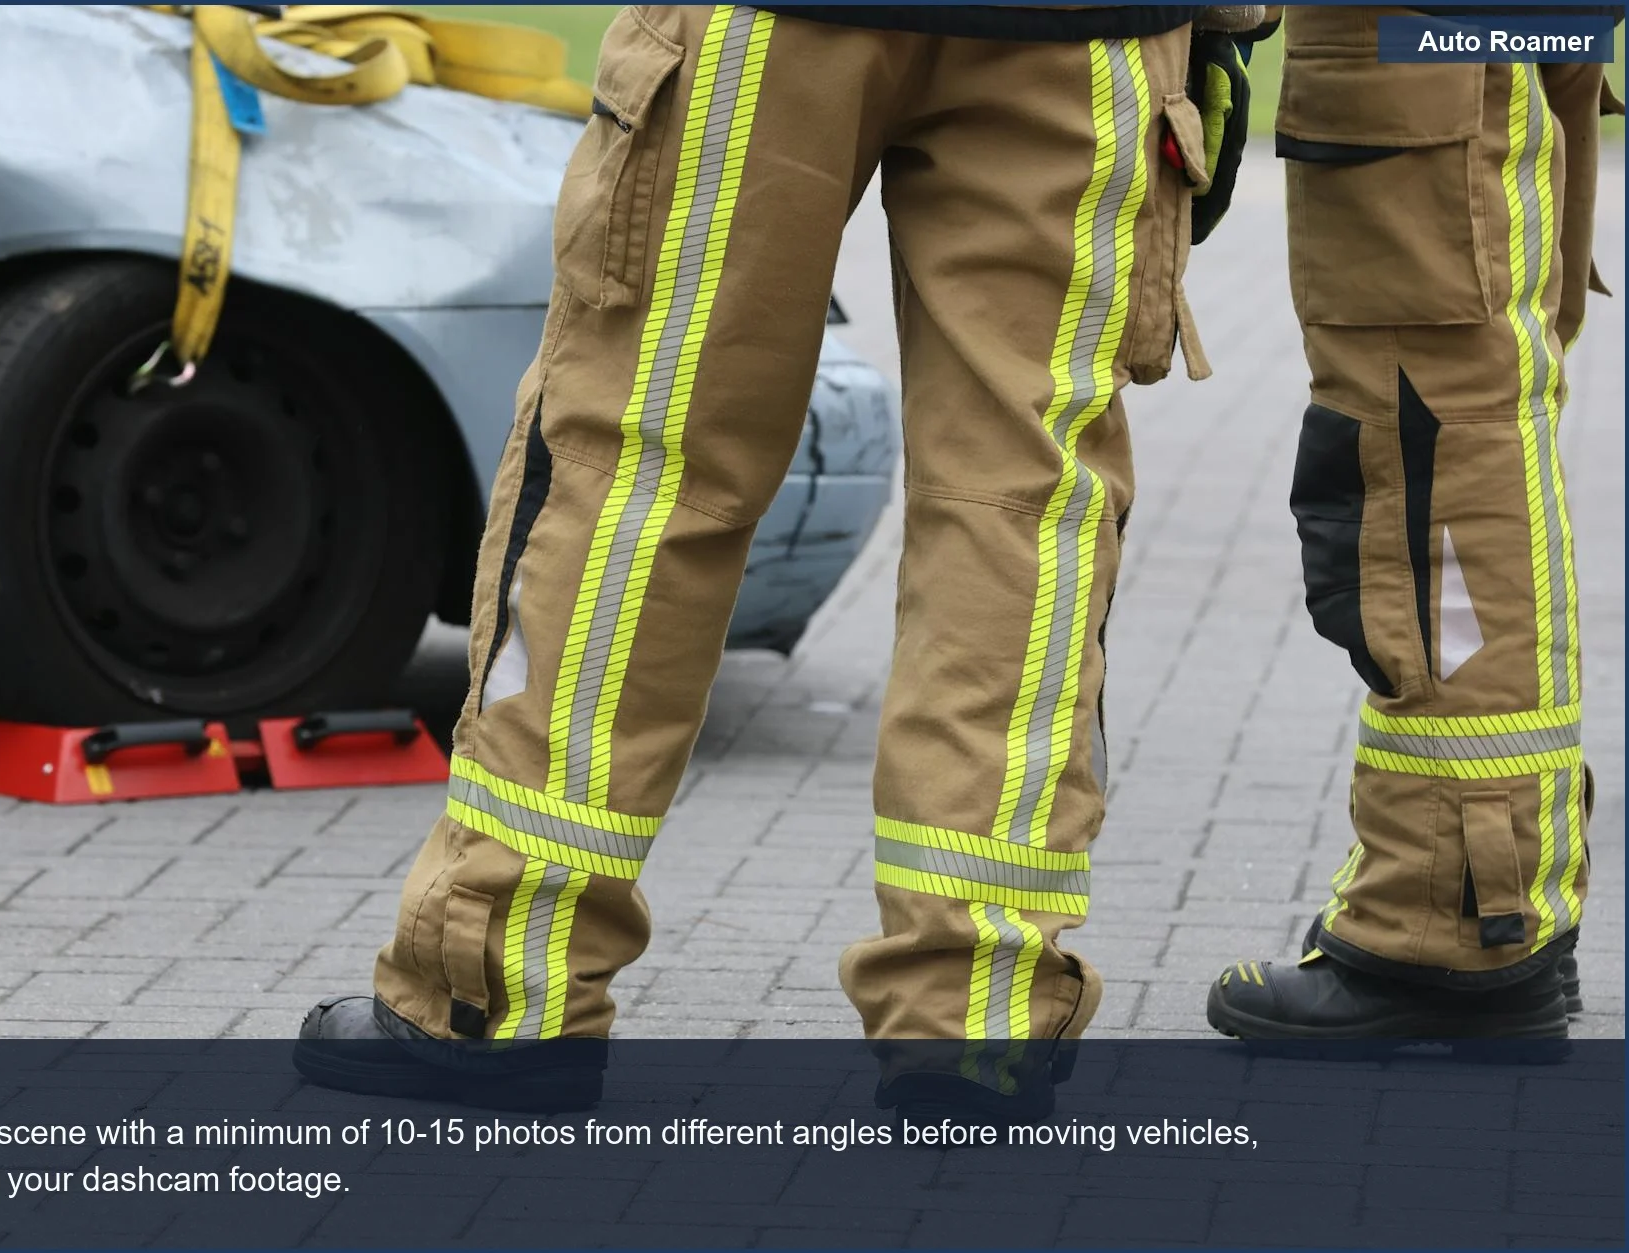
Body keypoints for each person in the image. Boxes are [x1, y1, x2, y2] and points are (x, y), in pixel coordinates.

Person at [294, 2, 1261, 1115]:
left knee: (641, 472)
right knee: (1020, 511)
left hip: (770, 30)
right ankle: (976, 1021)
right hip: (1083, 37)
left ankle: (499, 982)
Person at [1207, 4, 1619, 1042]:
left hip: (1413, 52)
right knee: (1461, 434)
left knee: (1430, 451)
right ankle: (1488, 899)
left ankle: (1450, 922)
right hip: (1451, 51)